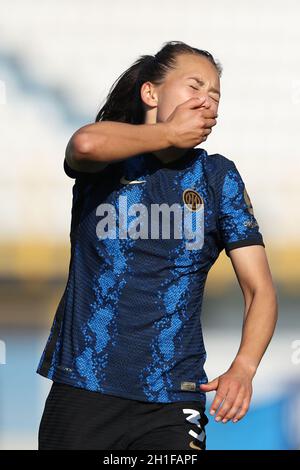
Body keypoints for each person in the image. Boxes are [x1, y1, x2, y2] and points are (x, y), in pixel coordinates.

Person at [37, 40, 278, 450]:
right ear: (151, 93)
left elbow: (260, 290)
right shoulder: (106, 158)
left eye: (215, 95)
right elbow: (83, 145)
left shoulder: (218, 177)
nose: (207, 102)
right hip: (84, 388)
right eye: (194, 87)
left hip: (174, 397)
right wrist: (166, 133)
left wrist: (244, 367)